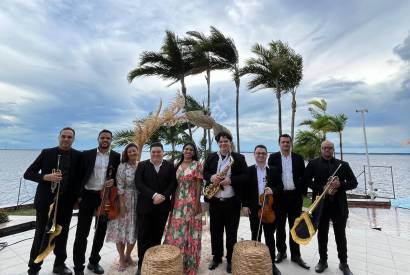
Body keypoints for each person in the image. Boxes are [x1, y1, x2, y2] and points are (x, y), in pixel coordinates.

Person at [24, 127, 82, 275]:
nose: (66, 139)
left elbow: (78, 180)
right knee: (41, 234)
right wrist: (45, 177)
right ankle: (34, 267)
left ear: (73, 139)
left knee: (62, 235)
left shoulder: (78, 155)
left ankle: (59, 265)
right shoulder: (47, 153)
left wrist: (77, 199)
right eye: (64, 136)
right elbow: (28, 174)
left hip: (66, 204)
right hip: (46, 202)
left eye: (70, 137)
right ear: (59, 137)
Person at [304, 140, 358, 275]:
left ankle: (343, 263)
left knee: (340, 235)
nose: (327, 150)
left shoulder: (343, 165)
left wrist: (340, 185)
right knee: (322, 234)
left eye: (330, 148)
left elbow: (354, 183)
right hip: (321, 205)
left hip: (339, 206)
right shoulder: (313, 164)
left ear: (333, 150)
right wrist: (322, 188)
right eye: (324, 148)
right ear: (321, 149)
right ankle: (323, 260)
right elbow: (305, 180)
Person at [73, 129, 121, 275]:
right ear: (98, 139)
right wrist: (78, 197)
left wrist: (114, 182)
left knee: (100, 231)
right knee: (82, 233)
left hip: (105, 197)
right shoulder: (86, 154)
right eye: (103, 137)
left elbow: (119, 176)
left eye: (108, 138)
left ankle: (94, 262)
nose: (105, 140)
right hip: (88, 196)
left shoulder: (116, 156)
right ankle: (78, 266)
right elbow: (78, 176)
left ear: (111, 140)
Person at [203, 131, 248, 273]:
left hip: (232, 202)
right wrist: (211, 177)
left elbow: (246, 176)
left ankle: (230, 259)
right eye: (221, 142)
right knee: (215, 231)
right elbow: (204, 172)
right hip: (215, 201)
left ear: (230, 143)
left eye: (226, 141)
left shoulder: (239, 158)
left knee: (231, 233)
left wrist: (231, 180)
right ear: (218, 143)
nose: (223, 144)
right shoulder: (211, 157)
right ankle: (216, 258)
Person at [268, 134, 309, 269]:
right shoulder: (273, 158)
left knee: (295, 226)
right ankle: (282, 251)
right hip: (279, 197)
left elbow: (303, 177)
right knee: (280, 227)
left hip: (295, 198)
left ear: (291, 143)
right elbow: (272, 178)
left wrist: (303, 193)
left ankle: (296, 255)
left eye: (287, 142)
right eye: (283, 142)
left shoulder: (298, 158)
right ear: (279, 144)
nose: (285, 144)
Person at [134, 142, 177, 275]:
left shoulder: (170, 166)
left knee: (157, 236)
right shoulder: (142, 165)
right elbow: (138, 183)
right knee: (143, 236)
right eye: (153, 152)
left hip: (162, 207)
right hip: (145, 207)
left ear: (163, 152)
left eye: (158, 151)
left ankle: (154, 262)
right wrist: (153, 195)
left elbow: (173, 183)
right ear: (150, 153)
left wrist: (163, 196)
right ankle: (141, 265)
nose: (156, 154)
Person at [242, 145, 283, 275]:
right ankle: (256, 262)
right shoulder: (249, 171)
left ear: (267, 155)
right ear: (254, 155)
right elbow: (245, 190)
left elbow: (280, 186)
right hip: (254, 208)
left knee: (270, 237)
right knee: (255, 236)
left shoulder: (274, 170)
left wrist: (273, 190)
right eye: (258, 153)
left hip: (269, 208)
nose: (260, 155)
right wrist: (245, 205)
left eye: (263, 153)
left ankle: (271, 264)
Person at [164, 143, 203, 275]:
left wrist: (197, 203)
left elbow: (199, 185)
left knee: (191, 231)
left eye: (191, 150)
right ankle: (176, 261)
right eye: (186, 149)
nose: (188, 151)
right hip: (178, 203)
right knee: (177, 230)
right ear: (183, 151)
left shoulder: (197, 165)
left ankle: (190, 263)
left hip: (192, 201)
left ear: (194, 152)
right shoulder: (177, 165)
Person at [105, 143, 139, 271]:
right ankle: (121, 258)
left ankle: (128, 256)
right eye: (129, 151)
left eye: (134, 151)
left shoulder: (140, 165)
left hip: (138, 201)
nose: (132, 153)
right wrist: (123, 204)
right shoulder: (122, 166)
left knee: (133, 230)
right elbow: (120, 186)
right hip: (124, 200)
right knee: (121, 230)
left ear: (137, 152)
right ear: (126, 153)